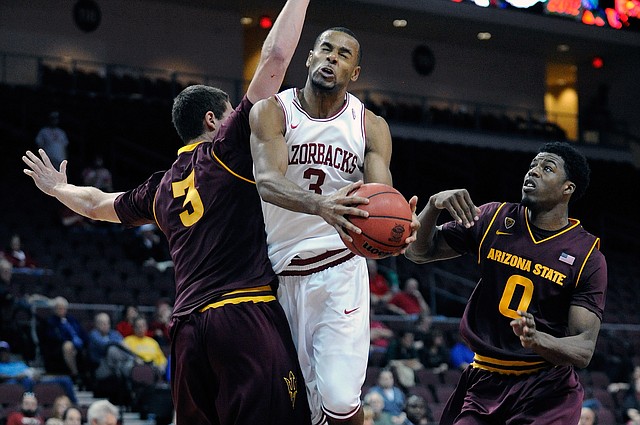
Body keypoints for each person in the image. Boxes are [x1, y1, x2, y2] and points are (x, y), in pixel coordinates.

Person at [22, 0, 312, 423]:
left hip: (188, 332)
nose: (244, 120)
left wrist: (57, 188)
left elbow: (97, 204)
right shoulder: (227, 150)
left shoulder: (160, 189)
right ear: (214, 120)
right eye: (233, 113)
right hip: (242, 313)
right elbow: (276, 56)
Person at [250, 26, 418, 425]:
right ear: (309, 57)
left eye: (343, 55)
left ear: (354, 72)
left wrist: (398, 225)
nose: (332, 58)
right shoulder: (272, 111)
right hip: (280, 274)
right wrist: (320, 204)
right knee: (298, 407)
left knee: (341, 399)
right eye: (325, 50)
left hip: (340, 268)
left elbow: (380, 197)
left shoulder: (369, 125)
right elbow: (267, 181)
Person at [405, 141, 607, 424]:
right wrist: (433, 205)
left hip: (546, 389)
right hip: (485, 378)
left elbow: (584, 349)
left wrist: (539, 339)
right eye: (532, 165)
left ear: (567, 189)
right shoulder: (494, 218)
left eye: (546, 168)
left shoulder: (587, 255)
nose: (533, 172)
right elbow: (418, 252)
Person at [0, 340, 78, 404]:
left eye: (5, 351)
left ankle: (75, 404)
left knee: (65, 379)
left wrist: (36, 374)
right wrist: (17, 377)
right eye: (1, 352)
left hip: (34, 381)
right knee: (26, 381)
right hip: (16, 383)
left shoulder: (18, 363)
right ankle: (29, 403)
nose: (3, 354)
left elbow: (31, 371)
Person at [41, 296, 89, 385]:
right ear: (54, 309)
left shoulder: (72, 319)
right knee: (68, 346)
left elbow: (82, 333)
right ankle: (75, 374)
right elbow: (52, 337)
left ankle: (87, 377)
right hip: (58, 347)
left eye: (63, 308)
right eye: (59, 308)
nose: (61, 310)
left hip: (77, 344)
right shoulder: (51, 322)